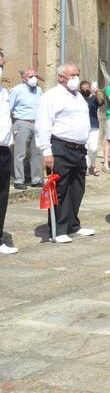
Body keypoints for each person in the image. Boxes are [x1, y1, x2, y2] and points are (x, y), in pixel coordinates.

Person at [35, 63, 97, 243]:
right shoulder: (51, 96)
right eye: (72, 75)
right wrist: (46, 150)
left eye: (77, 74)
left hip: (78, 149)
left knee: (77, 188)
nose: (76, 78)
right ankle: (58, 228)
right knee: (60, 189)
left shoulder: (78, 97)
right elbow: (43, 124)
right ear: (61, 77)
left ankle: (72, 224)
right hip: (60, 147)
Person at [8, 68, 43, 189]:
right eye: (30, 76)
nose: (34, 79)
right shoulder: (17, 90)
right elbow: (9, 108)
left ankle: (37, 179)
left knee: (37, 153)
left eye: (35, 76)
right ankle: (19, 180)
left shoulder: (39, 90)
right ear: (24, 78)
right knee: (20, 153)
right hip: (22, 122)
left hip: (37, 123)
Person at [0, 55, 18, 254]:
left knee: (2, 196)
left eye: (2, 64)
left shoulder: (4, 92)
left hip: (3, 150)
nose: (1, 67)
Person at [80, 80, 104, 176]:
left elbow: (101, 102)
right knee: (85, 148)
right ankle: (85, 167)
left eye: (87, 88)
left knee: (93, 148)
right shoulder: (79, 97)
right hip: (82, 127)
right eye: (83, 89)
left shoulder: (94, 98)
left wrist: (97, 91)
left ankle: (93, 165)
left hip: (94, 125)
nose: (86, 90)